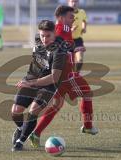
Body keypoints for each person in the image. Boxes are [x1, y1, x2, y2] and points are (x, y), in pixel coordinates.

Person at [28, 5, 98, 148]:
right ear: (61, 18)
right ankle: (88, 126)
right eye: (70, 17)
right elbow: (52, 46)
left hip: (62, 75)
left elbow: (63, 47)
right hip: (66, 75)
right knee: (87, 93)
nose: (73, 19)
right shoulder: (60, 29)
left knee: (56, 105)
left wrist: (74, 48)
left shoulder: (66, 29)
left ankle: (36, 133)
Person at [11, 20, 73, 151]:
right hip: (31, 77)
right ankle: (22, 128)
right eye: (42, 35)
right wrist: (30, 80)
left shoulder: (59, 51)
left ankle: (20, 141)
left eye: (48, 36)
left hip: (48, 85)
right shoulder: (37, 38)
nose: (44, 39)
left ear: (55, 33)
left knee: (33, 111)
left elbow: (54, 77)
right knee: (15, 112)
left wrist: (31, 83)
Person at [68, 0, 87, 72]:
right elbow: (60, 27)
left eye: (76, 1)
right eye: (72, 1)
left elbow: (84, 20)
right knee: (68, 63)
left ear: (78, 2)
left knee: (80, 60)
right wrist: (71, 29)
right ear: (68, 2)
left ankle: (76, 74)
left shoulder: (82, 12)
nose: (74, 3)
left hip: (78, 40)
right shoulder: (65, 14)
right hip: (67, 41)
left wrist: (84, 28)